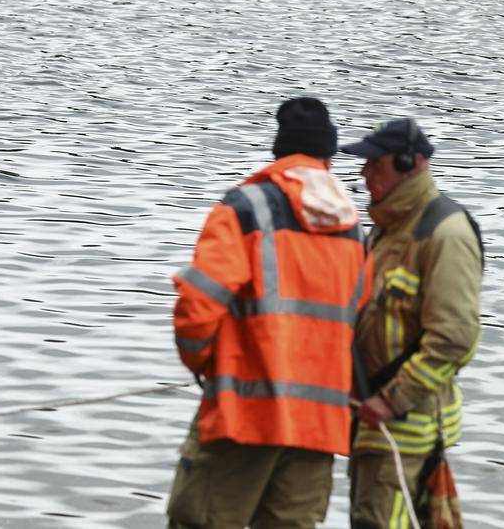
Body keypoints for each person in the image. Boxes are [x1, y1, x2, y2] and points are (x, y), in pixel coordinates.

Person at [165, 97, 370, 529]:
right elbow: (365, 322)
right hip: (319, 425)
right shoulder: (352, 227)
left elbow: (198, 307)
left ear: (279, 152)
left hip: (246, 416)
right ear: (329, 157)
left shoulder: (244, 207)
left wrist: (203, 364)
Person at [340, 118, 483, 529]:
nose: (364, 173)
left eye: (375, 164)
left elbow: (455, 339)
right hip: (373, 419)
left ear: (411, 163)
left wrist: (390, 399)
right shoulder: (386, 230)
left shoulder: (446, 233)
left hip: (404, 421)